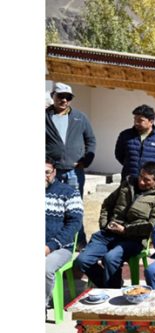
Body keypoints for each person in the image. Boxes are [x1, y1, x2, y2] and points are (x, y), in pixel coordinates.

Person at [74, 162, 155, 288]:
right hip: (108, 235)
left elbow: (150, 226)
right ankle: (110, 286)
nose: (141, 182)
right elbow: (106, 204)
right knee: (82, 261)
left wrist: (125, 230)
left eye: (146, 180)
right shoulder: (127, 184)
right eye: (141, 176)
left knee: (111, 258)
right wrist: (104, 225)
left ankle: (111, 292)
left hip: (132, 239)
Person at [45, 82, 97, 246]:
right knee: (51, 206)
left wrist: (85, 161)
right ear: (53, 96)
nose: (64, 100)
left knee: (75, 205)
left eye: (68, 97)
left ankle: (79, 241)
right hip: (51, 172)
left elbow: (91, 140)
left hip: (74, 171)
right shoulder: (43, 116)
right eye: (61, 96)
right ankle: (54, 241)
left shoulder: (79, 117)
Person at [45, 156, 83, 308]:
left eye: (47, 172)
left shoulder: (69, 193)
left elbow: (74, 224)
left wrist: (50, 246)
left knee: (45, 269)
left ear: (54, 172)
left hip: (60, 248)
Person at [114, 104, 155, 181]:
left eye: (140, 120)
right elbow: (119, 155)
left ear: (151, 122)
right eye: (135, 119)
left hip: (151, 183)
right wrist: (132, 166)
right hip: (129, 180)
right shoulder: (125, 135)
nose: (136, 123)